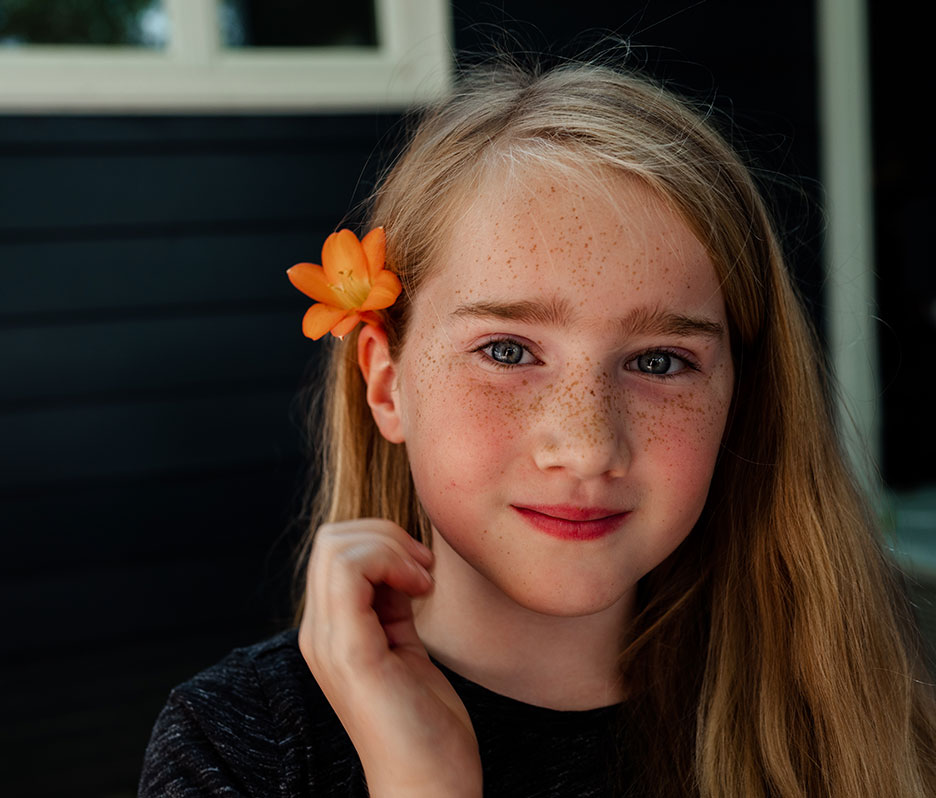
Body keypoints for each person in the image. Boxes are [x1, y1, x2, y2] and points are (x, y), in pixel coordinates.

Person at [138, 60, 936, 797]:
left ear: (742, 395)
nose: (586, 445)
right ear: (386, 384)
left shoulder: (867, 725)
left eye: (660, 362)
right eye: (508, 350)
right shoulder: (240, 748)